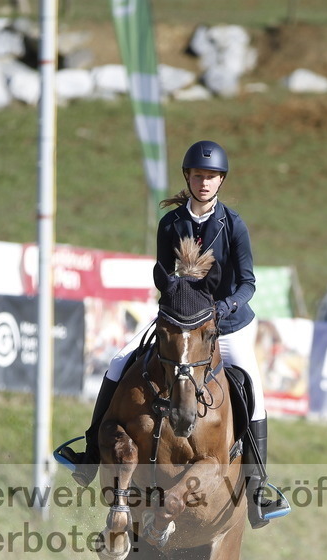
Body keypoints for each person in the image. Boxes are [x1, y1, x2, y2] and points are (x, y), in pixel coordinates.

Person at [73, 139, 290, 528]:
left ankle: (258, 490)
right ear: (187, 178)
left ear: (221, 180)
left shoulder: (233, 225)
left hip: (226, 325)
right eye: (198, 176)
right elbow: (163, 274)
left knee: (253, 392)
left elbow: (248, 283)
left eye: (211, 177)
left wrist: (223, 309)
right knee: (119, 361)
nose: (204, 182)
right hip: (177, 320)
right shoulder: (170, 224)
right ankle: (90, 452)